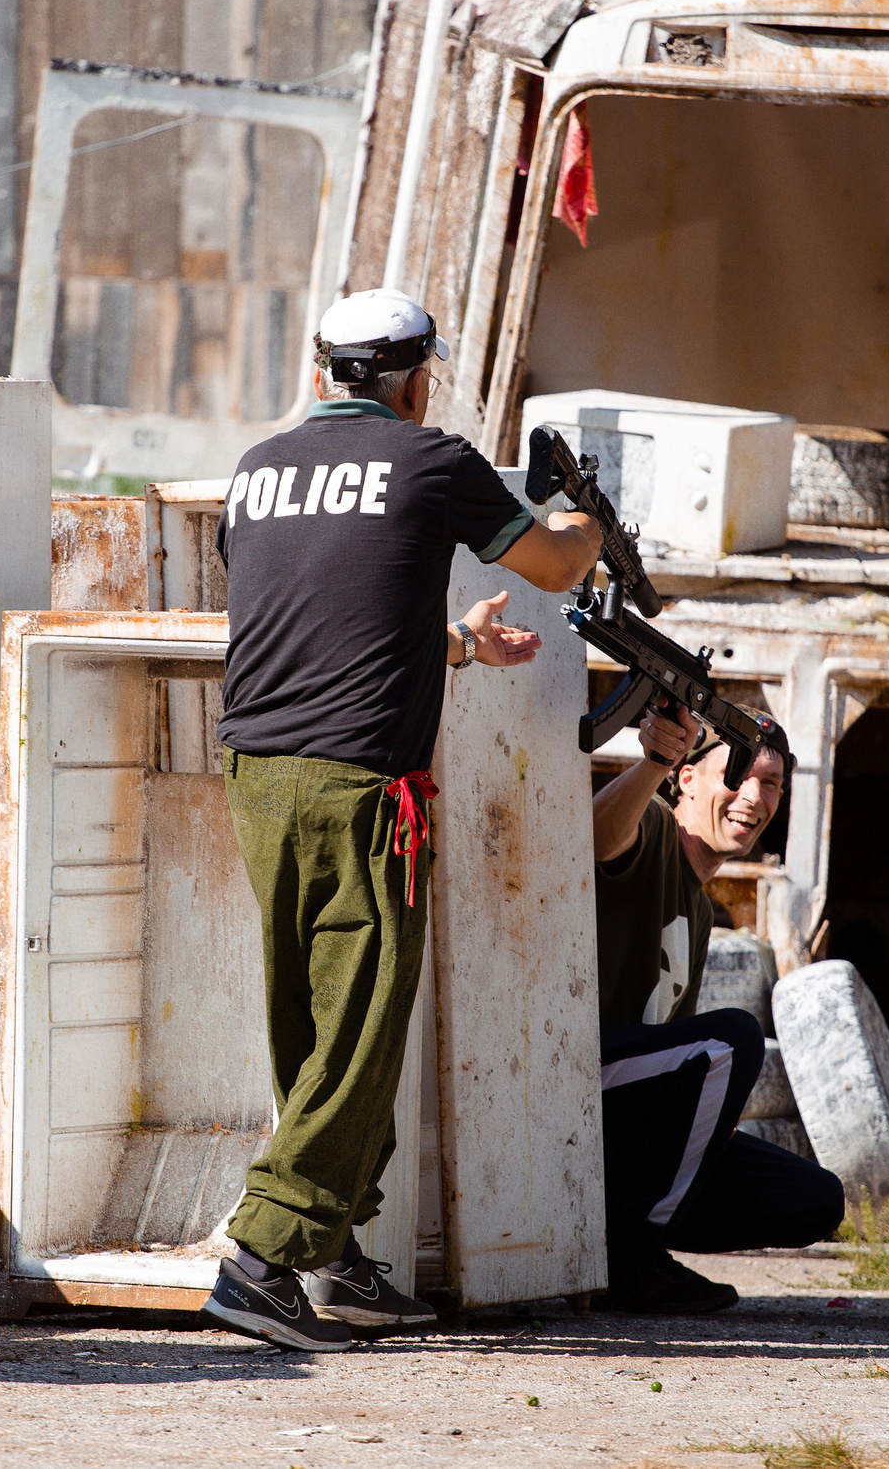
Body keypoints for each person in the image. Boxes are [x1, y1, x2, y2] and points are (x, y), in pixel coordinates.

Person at [200, 286, 603, 1352]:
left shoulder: (255, 470)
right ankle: (261, 1255)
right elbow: (558, 567)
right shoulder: (433, 460)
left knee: (317, 1024)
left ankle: (329, 1250)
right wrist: (590, 516)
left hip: (257, 773)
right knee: (364, 1024)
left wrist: (456, 646)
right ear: (415, 377)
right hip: (361, 786)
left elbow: (323, 611)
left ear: (323, 368)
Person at [590, 706, 845, 1313]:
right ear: (687, 780)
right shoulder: (650, 829)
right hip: (575, 1086)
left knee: (816, 1198)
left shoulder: (701, 912)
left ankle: (615, 1233)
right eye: (737, 773)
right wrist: (652, 761)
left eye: (771, 783)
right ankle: (630, 1258)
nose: (754, 797)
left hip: (627, 1122)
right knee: (733, 1037)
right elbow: (595, 837)